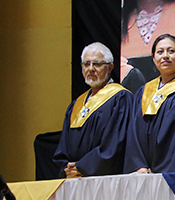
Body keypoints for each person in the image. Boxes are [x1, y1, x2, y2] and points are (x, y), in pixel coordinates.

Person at [124, 34, 175, 173]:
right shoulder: (144, 92)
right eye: (160, 52)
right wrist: (139, 165)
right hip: (144, 173)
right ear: (153, 58)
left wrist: (169, 167)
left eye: (171, 51)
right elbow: (134, 132)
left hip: (174, 170)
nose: (165, 56)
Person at [54, 43, 132, 177]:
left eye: (97, 64)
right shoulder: (77, 104)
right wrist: (67, 168)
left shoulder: (120, 98)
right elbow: (63, 147)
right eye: (86, 64)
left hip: (104, 180)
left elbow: (115, 144)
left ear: (110, 67)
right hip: (74, 179)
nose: (91, 69)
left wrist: (83, 167)